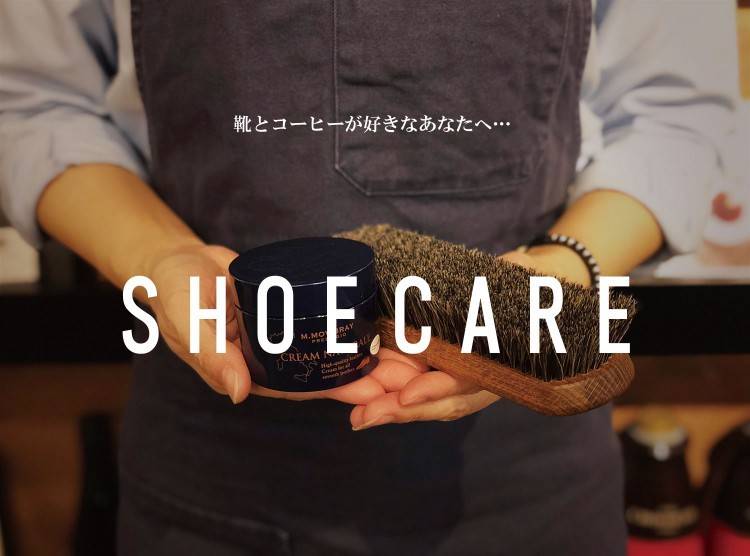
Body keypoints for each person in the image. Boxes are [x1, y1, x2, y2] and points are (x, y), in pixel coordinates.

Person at [0, 1, 738, 554]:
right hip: (211, 461)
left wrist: (557, 271)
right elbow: (31, 104)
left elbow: (673, 110)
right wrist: (161, 258)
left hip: (532, 476)